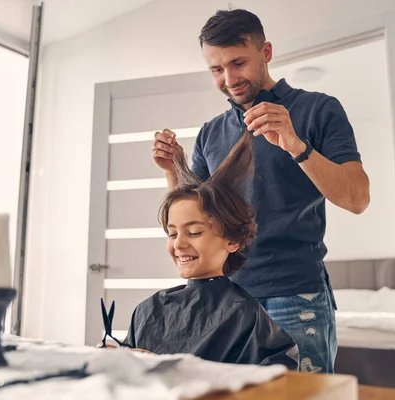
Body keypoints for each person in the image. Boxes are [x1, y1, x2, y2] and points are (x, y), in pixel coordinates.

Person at [151, 9, 370, 373]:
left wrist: (296, 145)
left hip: (295, 295)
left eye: (238, 63)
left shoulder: (318, 109)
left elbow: (357, 199)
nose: (229, 78)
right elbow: (198, 221)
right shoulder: (211, 132)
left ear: (266, 52)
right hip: (224, 294)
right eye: (216, 70)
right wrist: (173, 171)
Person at [118, 131, 299, 370]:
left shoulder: (245, 315)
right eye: (172, 233)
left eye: (194, 232)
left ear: (232, 241)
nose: (179, 244)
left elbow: (274, 383)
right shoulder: (148, 309)